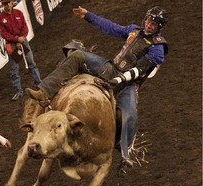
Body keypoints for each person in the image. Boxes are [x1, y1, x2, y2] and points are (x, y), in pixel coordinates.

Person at [25, 6, 168, 172]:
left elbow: (139, 70)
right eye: (149, 20)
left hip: (128, 83)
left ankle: (125, 153)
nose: (149, 25)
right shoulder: (134, 30)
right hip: (110, 68)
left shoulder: (158, 49)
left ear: (159, 28)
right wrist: (87, 15)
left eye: (154, 23)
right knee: (77, 56)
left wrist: (119, 79)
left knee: (128, 116)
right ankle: (44, 91)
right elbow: (111, 27)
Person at [0, 0, 41, 101]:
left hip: (21, 39)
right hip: (10, 43)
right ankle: (18, 90)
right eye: (5, 3)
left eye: (9, 2)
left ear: (11, 2)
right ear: (2, 5)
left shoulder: (18, 13)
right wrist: (17, 39)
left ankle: (39, 83)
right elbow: (3, 34)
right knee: (14, 68)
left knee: (31, 61)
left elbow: (25, 27)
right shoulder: (0, 18)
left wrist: (21, 38)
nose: (8, 5)